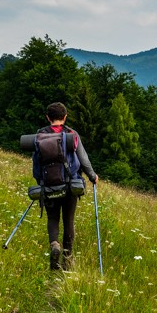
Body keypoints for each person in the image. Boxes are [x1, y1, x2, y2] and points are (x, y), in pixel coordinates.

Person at [33, 102, 98, 270]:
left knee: (53, 218)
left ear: (48, 117)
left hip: (48, 186)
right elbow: (83, 159)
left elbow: (36, 163)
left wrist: (40, 181)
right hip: (70, 186)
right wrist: (92, 176)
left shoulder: (40, 135)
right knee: (69, 221)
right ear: (65, 117)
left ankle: (55, 244)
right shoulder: (71, 134)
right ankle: (67, 259)